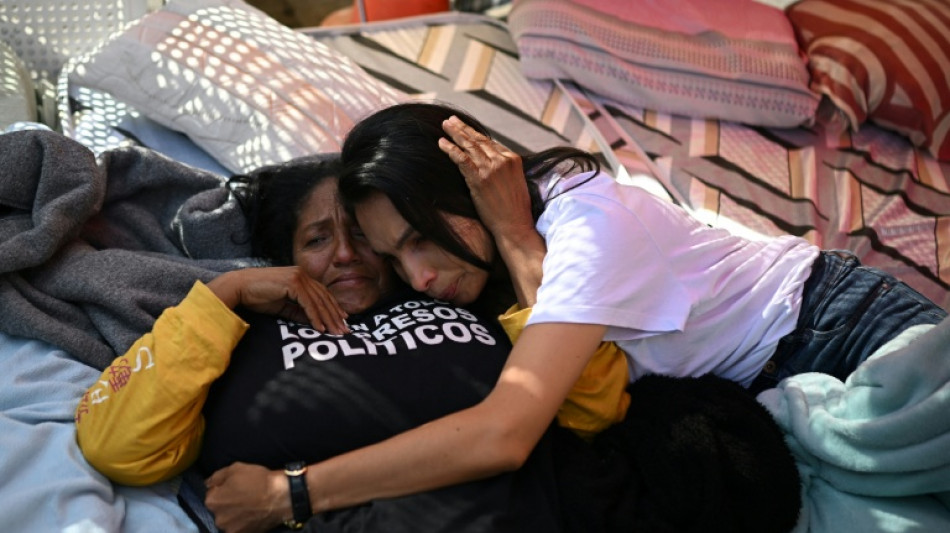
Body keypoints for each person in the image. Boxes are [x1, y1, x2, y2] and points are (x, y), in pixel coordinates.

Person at [199, 101, 945, 528]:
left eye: (426, 236)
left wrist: (289, 490)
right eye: (396, 257)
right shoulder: (482, 262)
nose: (419, 276)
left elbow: (505, 431)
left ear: (467, 189)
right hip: (761, 401)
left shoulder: (583, 222)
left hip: (840, 332)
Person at [74, 155, 572, 533]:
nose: (346, 255)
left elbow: (592, 407)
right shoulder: (232, 334)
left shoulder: (457, 293)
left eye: (363, 236)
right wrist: (226, 294)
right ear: (283, 255)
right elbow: (116, 449)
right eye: (316, 240)